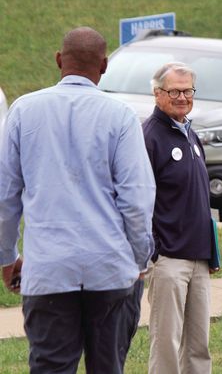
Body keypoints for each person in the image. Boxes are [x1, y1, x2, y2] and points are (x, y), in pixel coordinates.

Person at [0, 26, 156, 373]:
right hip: (111, 269)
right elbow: (137, 198)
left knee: (50, 367)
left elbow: (5, 197)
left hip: (49, 269)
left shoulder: (24, 111)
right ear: (104, 66)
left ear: (58, 60)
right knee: (108, 366)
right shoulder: (121, 116)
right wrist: (140, 257)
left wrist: (7, 256)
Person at [144, 62, 217, 374]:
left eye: (188, 91)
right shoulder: (150, 136)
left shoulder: (189, 133)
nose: (183, 97)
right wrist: (154, 251)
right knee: (167, 345)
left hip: (198, 258)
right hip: (169, 259)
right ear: (158, 93)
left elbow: (199, 200)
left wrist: (211, 252)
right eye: (175, 91)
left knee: (199, 348)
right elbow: (139, 200)